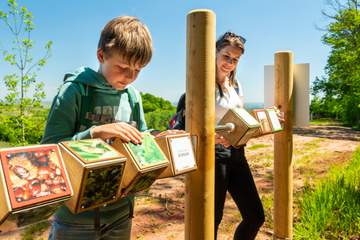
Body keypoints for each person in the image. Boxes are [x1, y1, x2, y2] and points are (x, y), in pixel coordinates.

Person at [42, 16, 152, 240]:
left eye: (138, 70)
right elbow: (48, 152)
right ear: (101, 55)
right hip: (76, 222)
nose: (130, 77)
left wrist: (158, 140)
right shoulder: (74, 92)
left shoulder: (132, 97)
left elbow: (142, 141)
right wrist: (94, 133)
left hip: (121, 214)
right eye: (122, 67)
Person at [172, 32, 265, 240]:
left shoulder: (236, 85)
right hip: (214, 157)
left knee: (255, 216)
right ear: (214, 53)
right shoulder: (200, 86)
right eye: (226, 56)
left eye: (235, 59)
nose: (230, 63)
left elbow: (238, 117)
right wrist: (211, 137)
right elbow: (185, 130)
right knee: (211, 220)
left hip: (238, 154)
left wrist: (265, 120)